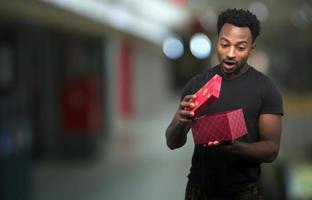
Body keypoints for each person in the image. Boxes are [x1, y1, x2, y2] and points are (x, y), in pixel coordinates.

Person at [165, 8, 283, 200]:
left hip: (245, 192)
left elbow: (271, 150)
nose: (230, 53)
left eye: (240, 47)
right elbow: (172, 142)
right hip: (198, 190)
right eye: (224, 44)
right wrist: (180, 121)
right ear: (216, 42)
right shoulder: (196, 85)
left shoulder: (266, 90)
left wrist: (236, 148)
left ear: (252, 48)